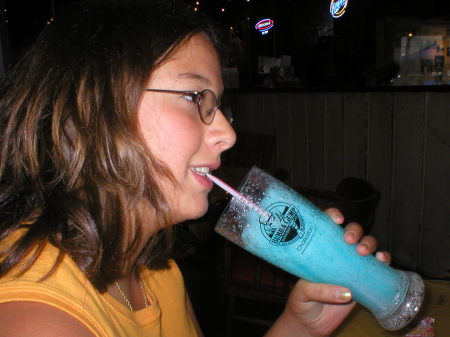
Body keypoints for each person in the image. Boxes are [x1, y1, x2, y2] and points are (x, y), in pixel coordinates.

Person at [0, 1, 390, 336]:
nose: (228, 134)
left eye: (219, 104)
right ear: (91, 106)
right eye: (195, 97)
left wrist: (301, 326)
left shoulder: (153, 265)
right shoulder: (39, 320)